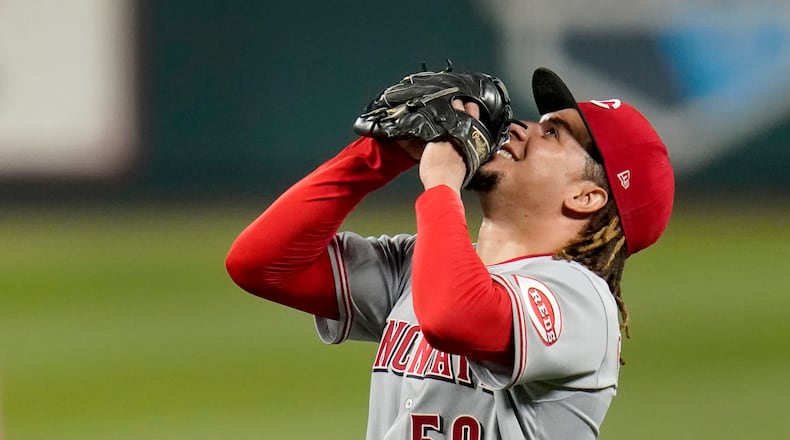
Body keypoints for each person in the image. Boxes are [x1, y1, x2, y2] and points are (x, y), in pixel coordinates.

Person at [225, 67, 674, 439]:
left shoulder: (583, 303)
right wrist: (380, 155)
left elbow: (451, 316)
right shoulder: (428, 261)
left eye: (553, 134)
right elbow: (262, 265)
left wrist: (441, 183)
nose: (521, 128)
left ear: (586, 198)